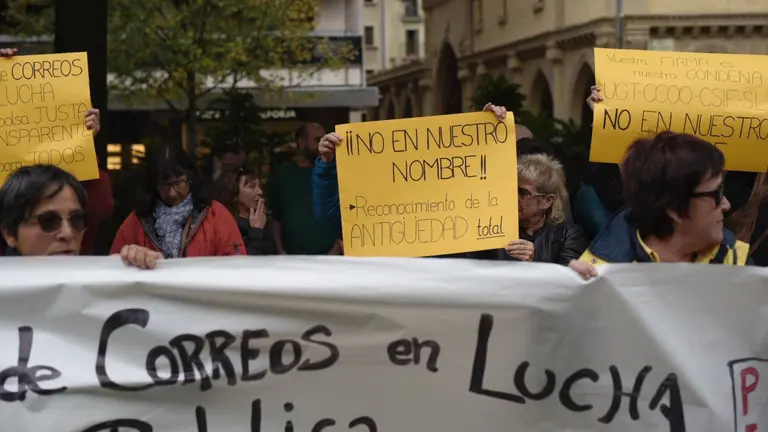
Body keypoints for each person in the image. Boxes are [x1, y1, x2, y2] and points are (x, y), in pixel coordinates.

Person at [569, 131, 751, 280]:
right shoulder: (598, 275)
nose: (726, 204)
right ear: (673, 208)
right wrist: (572, 298)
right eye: (716, 193)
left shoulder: (739, 264)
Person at [0, 164, 160, 268]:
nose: (68, 234)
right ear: (9, 233)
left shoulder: (107, 280)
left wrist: (145, 272)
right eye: (49, 221)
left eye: (77, 220)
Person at [111, 145, 245, 257]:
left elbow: (236, 265)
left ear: (190, 177)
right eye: (164, 185)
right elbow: (116, 266)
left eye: (177, 183)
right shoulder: (136, 222)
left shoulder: (216, 215)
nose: (172, 193)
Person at [269, 123, 342, 255]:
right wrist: (280, 251)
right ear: (302, 143)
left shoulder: (334, 172)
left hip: (330, 257)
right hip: (292, 259)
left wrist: (337, 246)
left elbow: (346, 211)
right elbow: (276, 217)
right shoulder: (284, 174)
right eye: (317, 140)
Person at [502, 154, 587, 264]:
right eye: (512, 190)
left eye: (523, 193)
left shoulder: (568, 235)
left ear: (546, 201)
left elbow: (568, 278)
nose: (514, 197)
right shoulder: (494, 230)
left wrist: (535, 260)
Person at [216, 167, 274, 255]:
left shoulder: (262, 218)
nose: (260, 191)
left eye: (259, 186)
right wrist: (256, 231)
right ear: (234, 193)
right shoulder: (225, 224)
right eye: (252, 186)